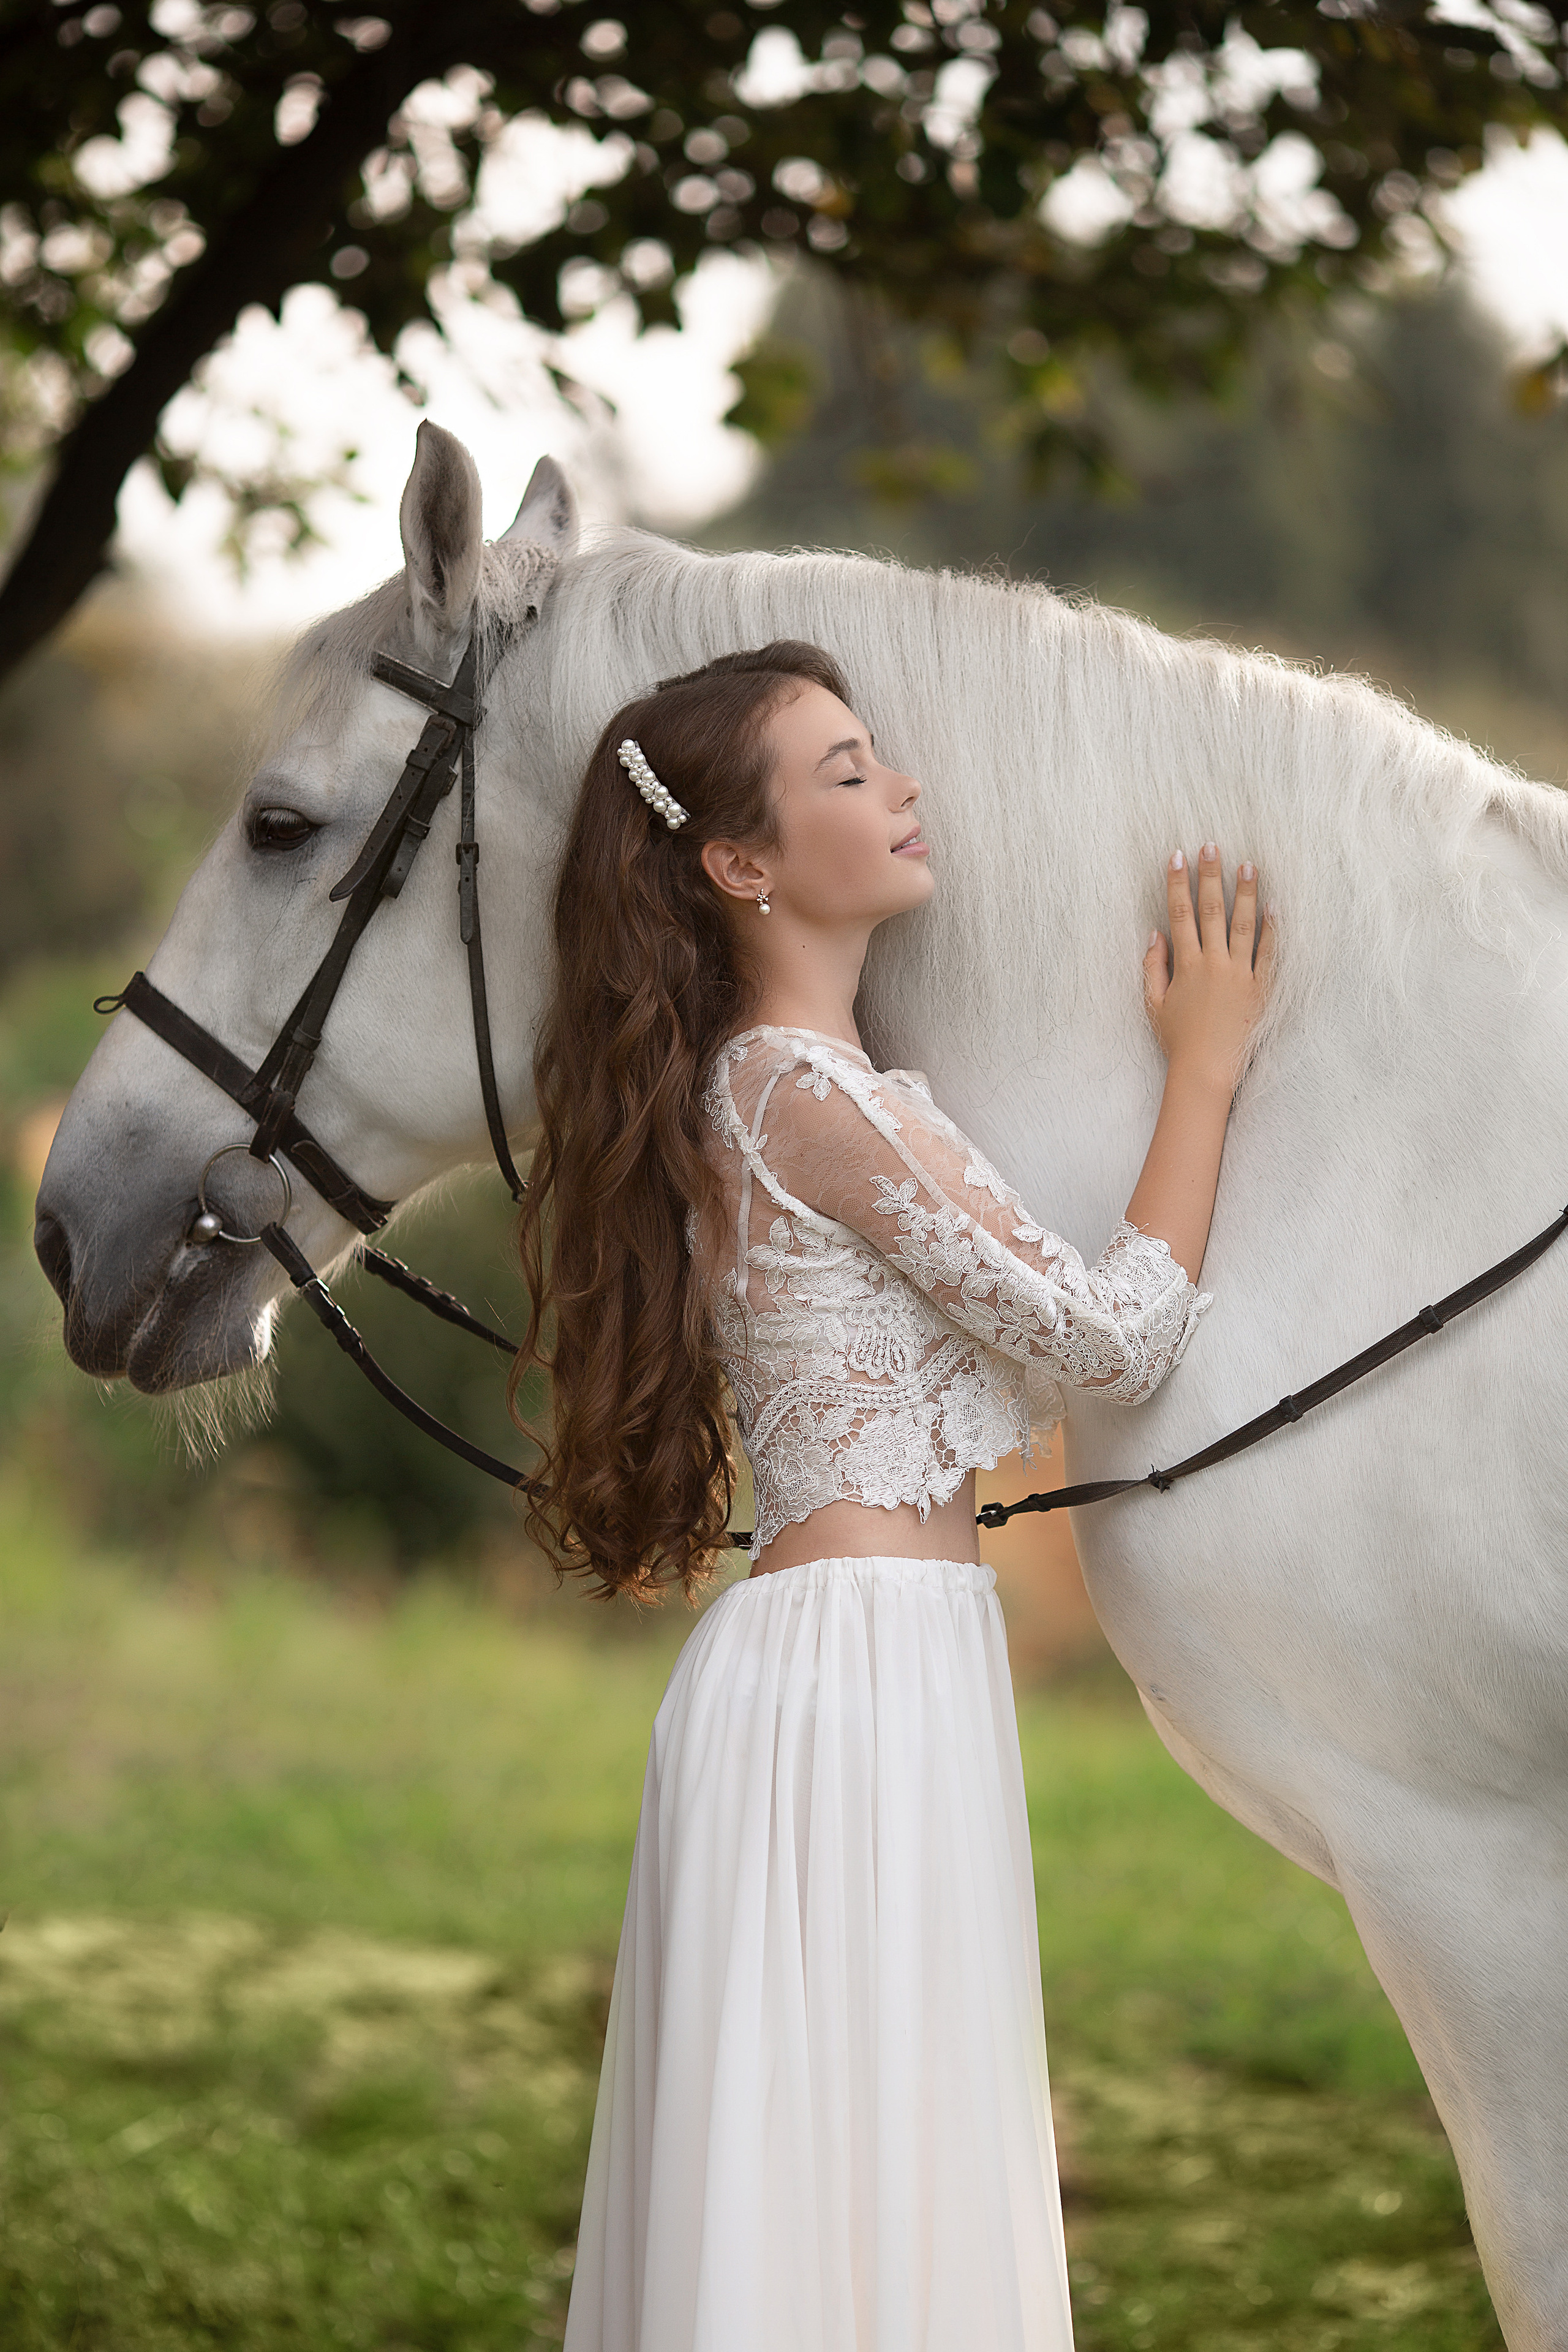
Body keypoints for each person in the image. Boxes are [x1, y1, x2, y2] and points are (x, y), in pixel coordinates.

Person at [514, 640, 1275, 2351]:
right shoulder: (798, 1089)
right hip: (849, 1677)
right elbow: (1108, 1338)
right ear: (741, 862)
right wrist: (1206, 1064)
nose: (904, 788)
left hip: (882, 1658)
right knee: (843, 2174)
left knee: (877, 2166)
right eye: (847, 773)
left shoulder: (822, 1089)